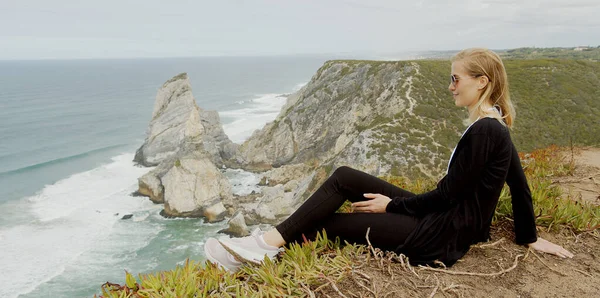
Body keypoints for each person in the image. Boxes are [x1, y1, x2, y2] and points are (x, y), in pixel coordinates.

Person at [203, 48, 574, 272]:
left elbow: (448, 196)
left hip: (440, 236)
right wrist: (529, 237)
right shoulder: (493, 126)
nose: (450, 86)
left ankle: (260, 251)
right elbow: (520, 187)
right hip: (441, 220)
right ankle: (267, 243)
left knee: (332, 222)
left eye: (455, 78)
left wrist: (392, 205)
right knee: (345, 176)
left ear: (481, 81)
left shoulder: (487, 131)